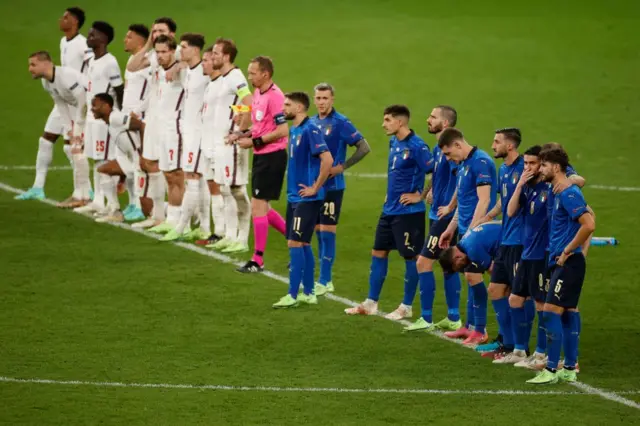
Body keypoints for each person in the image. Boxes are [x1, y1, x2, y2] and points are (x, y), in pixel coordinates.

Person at [345, 105, 433, 317]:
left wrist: (419, 196)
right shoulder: (394, 141)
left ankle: (406, 307)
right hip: (390, 209)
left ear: (400, 122)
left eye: (387, 120)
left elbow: (434, 171)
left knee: (410, 257)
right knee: (378, 252)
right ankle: (371, 302)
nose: (383, 124)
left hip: (409, 213)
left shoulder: (417, 146)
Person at [526, 146, 595, 385]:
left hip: (567, 261)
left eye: (543, 165)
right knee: (567, 312)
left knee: (550, 311)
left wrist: (569, 251)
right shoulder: (557, 190)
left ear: (555, 167)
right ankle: (569, 367)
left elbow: (589, 223)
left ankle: (552, 369)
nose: (540, 169)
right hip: (558, 259)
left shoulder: (568, 192)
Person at [18, 7, 91, 204]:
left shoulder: (83, 43)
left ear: (75, 22)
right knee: (46, 140)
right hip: (63, 94)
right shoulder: (63, 42)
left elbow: (93, 66)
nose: (61, 20)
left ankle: (86, 190)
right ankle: (37, 187)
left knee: (71, 148)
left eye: (66, 17)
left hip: (79, 97)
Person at [272, 92, 333, 308]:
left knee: (294, 242)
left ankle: (293, 294)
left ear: (299, 108)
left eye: (287, 105)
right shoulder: (295, 129)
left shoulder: (310, 129)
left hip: (307, 198)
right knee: (304, 242)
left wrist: (315, 187)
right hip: (294, 197)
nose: (283, 108)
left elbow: (328, 159)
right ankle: (309, 293)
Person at [438, 128, 498, 345]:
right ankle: (469, 326)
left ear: (457, 145)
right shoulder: (463, 164)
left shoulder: (481, 162)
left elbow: (484, 200)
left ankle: (480, 330)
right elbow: (463, 203)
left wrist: (471, 233)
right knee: (469, 278)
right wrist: (451, 228)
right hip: (466, 232)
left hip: (478, 233)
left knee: (474, 277)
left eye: (447, 153)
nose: (447, 158)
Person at [405, 105, 461, 333]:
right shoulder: (439, 149)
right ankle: (454, 317)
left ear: (445, 123)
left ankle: (426, 318)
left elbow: (462, 181)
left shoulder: (452, 151)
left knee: (423, 262)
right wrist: (426, 192)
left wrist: (450, 207)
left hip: (445, 216)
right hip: (436, 212)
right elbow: (435, 175)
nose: (428, 120)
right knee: (447, 264)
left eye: (433, 117)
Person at [310, 83, 370, 296]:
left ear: (332, 99)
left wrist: (342, 167)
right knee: (318, 231)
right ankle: (321, 276)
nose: (322, 102)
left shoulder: (341, 122)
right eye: (318, 98)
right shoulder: (312, 122)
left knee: (327, 232)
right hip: (314, 185)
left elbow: (364, 147)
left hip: (333, 187)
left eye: (325, 98)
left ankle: (326, 280)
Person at [232, 56, 289, 273]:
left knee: (258, 206)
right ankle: (296, 243)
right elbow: (260, 126)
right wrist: (240, 134)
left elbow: (283, 131)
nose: (249, 76)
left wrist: (253, 141)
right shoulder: (258, 93)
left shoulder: (276, 97)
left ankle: (258, 259)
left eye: (253, 72)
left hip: (272, 157)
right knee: (263, 207)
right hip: (261, 155)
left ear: (265, 74)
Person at [476, 128, 527, 360]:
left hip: (520, 242)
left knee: (519, 295)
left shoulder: (527, 167)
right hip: (505, 240)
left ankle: (521, 347)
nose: (493, 145)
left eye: (497, 142)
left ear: (510, 146)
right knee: (495, 289)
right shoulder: (503, 168)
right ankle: (507, 343)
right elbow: (503, 200)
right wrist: (489, 216)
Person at [202, 38, 254, 253]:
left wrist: (240, 129)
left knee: (237, 191)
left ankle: (242, 239)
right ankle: (230, 235)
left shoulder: (235, 77)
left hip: (230, 144)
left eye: (215, 53)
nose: (212, 56)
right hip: (218, 143)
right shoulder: (222, 79)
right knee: (225, 190)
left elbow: (250, 102)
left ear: (226, 57)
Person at [159, 33, 212, 242]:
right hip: (189, 131)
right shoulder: (188, 70)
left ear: (196, 49)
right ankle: (205, 227)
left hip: (198, 132)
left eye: (184, 47)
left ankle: (182, 227)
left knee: (192, 179)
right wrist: (177, 64)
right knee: (198, 179)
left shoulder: (205, 72)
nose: (180, 50)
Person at [127, 17, 179, 230]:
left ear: (172, 34)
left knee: (174, 171)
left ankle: (179, 216)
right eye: (154, 31)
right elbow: (132, 66)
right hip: (153, 117)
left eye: (161, 31)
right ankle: (158, 214)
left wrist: (179, 63)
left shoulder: (176, 57)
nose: (157, 33)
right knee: (149, 163)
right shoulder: (156, 56)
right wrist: (150, 43)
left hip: (171, 121)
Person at [73, 21, 124, 218]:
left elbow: (119, 90)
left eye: (92, 35)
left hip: (105, 121)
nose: (88, 37)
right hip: (93, 119)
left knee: (106, 161)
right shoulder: (93, 60)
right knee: (96, 159)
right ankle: (98, 202)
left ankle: (113, 207)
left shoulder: (110, 62)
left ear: (103, 39)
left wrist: (116, 115)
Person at [146, 35, 187, 234]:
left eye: (164, 52)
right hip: (162, 129)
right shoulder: (159, 69)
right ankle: (172, 218)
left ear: (173, 51)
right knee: (167, 174)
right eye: (158, 52)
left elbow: (192, 63)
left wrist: (178, 65)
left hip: (175, 130)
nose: (160, 56)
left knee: (176, 175)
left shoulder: (181, 70)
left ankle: (178, 220)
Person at [90, 93, 145, 222]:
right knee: (103, 170)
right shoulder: (110, 122)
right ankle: (118, 209)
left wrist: (143, 153)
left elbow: (141, 125)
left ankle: (138, 208)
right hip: (130, 157)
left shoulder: (116, 117)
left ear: (107, 106)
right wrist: (122, 176)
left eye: (95, 105)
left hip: (138, 156)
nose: (92, 108)